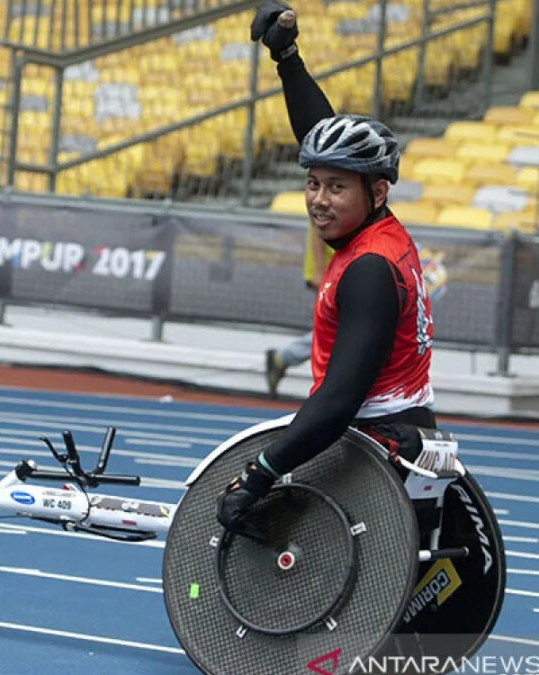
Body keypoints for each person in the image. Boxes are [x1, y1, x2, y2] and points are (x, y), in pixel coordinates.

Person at [218, 1, 435, 539]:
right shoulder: (377, 231)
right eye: (312, 184)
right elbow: (324, 136)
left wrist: (258, 474)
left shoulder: (369, 269)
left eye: (335, 188)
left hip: (377, 452)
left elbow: (338, 401)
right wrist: (287, 58)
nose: (319, 199)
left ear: (377, 192)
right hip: (401, 435)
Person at [264, 228, 330, 398]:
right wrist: (319, 269)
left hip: (338, 269)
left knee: (335, 330)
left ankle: (283, 357)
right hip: (331, 272)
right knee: (335, 330)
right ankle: (284, 357)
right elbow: (320, 227)